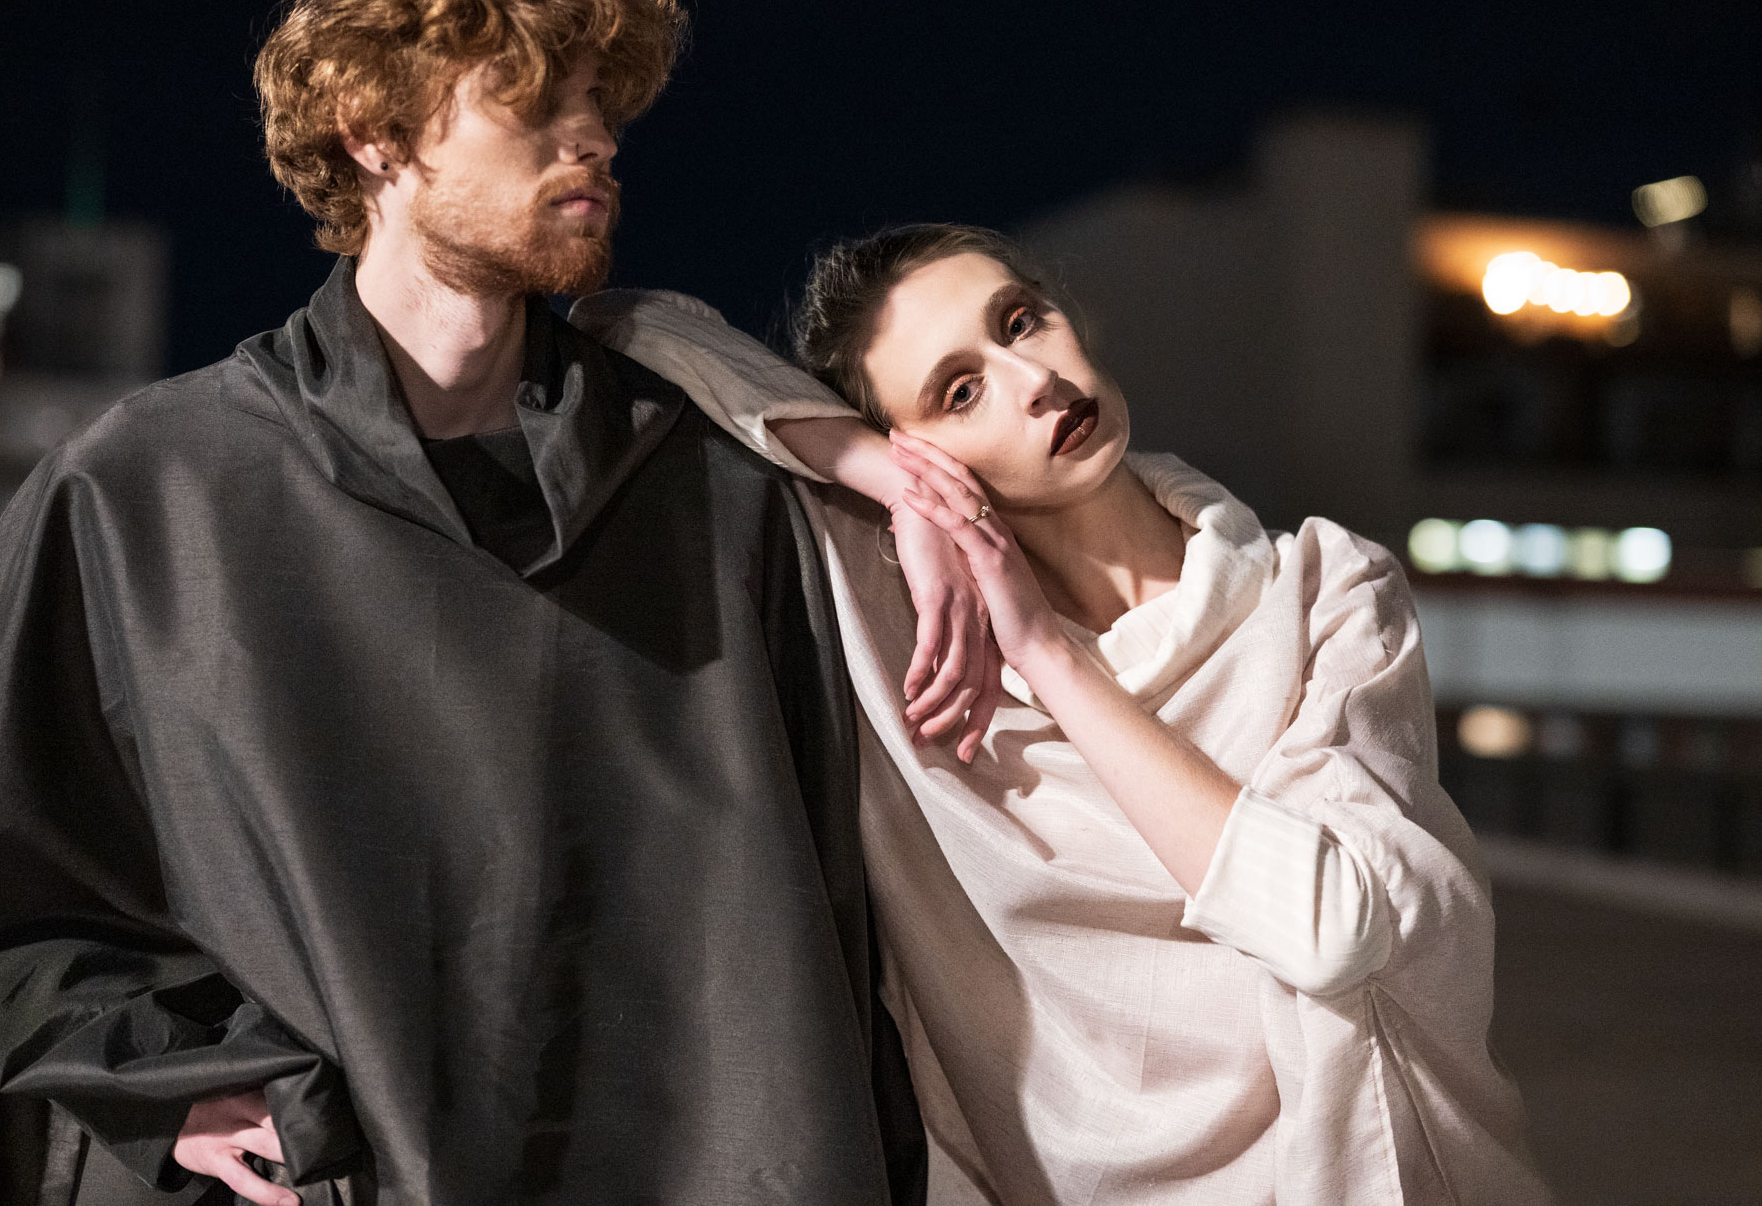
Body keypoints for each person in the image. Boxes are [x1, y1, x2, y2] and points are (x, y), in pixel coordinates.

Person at [0, 0, 953, 1203]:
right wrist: (160, 1077)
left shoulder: (713, 492)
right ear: (373, 131)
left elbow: (847, 909)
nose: (594, 137)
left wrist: (906, 495)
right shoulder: (155, 490)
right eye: (534, 97)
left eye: (598, 101)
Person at [571, 224, 1553, 1204]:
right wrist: (893, 485)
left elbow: (1331, 928)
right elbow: (631, 323)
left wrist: (1046, 652)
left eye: (1019, 322)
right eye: (960, 392)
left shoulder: (1323, 591)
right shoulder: (908, 639)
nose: (1033, 380)